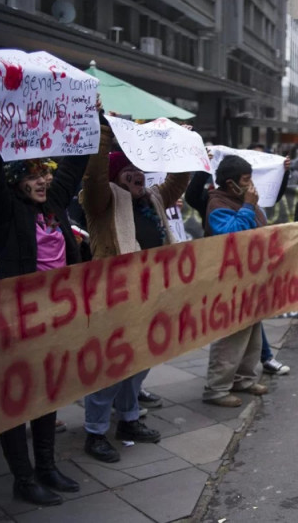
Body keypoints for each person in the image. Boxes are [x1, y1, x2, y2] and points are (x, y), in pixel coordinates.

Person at [0, 80, 82, 506]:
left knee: (49, 391)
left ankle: (47, 466)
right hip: (18, 320)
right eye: (33, 175)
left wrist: (86, 118)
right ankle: (23, 479)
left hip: (56, 316)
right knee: (16, 401)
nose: (42, 181)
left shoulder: (53, 207)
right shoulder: (6, 213)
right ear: (18, 182)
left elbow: (73, 168)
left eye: (45, 174)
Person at [79, 125, 190, 462]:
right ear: (117, 176)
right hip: (116, 296)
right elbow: (94, 180)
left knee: (140, 361)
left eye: (141, 171)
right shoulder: (104, 200)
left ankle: (128, 420)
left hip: (152, 293)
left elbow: (177, 183)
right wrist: (102, 138)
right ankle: (95, 431)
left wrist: (180, 144)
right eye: (130, 173)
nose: (138, 177)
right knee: (112, 367)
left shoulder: (153, 197)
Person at [202, 155, 269, 406]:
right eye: (246, 180)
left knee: (252, 332)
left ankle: (244, 378)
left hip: (251, 277)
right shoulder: (218, 203)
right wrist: (249, 206)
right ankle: (217, 388)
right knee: (230, 334)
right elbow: (232, 236)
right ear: (231, 184)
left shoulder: (243, 201)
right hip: (229, 280)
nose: (251, 185)